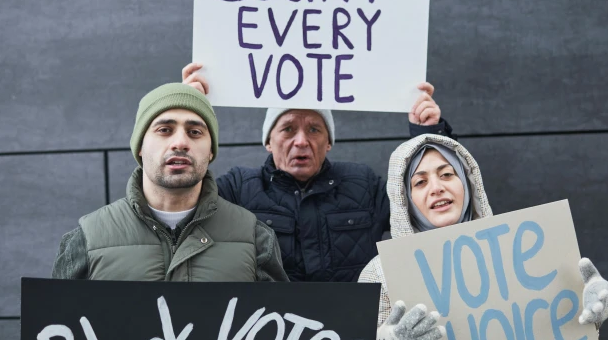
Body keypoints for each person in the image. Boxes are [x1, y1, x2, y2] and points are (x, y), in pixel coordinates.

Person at [0, 83, 289, 340]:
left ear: (210, 151)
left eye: (195, 131)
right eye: (164, 129)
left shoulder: (254, 237)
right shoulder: (88, 237)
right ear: (140, 147)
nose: (180, 141)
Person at [349, 133, 608, 340]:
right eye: (420, 182)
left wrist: (585, 319)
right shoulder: (381, 273)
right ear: (404, 197)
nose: (436, 187)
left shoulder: (514, 251)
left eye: (447, 174)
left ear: (467, 182)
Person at [182, 62, 457, 282]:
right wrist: (187, 112)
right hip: (266, 334)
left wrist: (428, 133)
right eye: (288, 128)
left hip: (356, 334)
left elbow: (428, 213)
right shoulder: (239, 188)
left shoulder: (363, 185)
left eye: (314, 129)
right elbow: (181, 202)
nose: (301, 141)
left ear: (328, 142)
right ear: (268, 141)